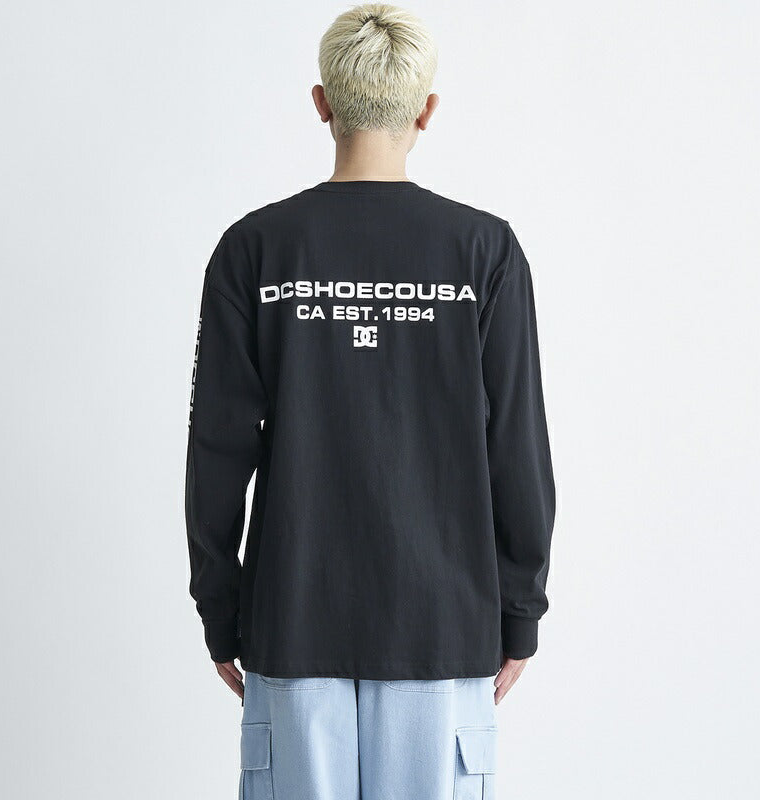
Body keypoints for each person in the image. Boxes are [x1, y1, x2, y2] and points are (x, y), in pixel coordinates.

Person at [185, 4, 555, 798]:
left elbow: (216, 447)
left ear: (322, 103)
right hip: (442, 627)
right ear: (427, 110)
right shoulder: (483, 252)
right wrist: (520, 610)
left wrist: (220, 608)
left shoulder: (255, 249)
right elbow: (517, 445)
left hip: (293, 620)